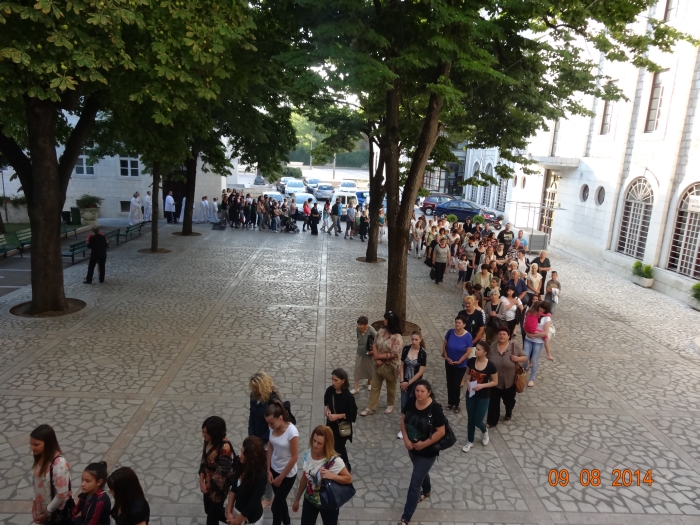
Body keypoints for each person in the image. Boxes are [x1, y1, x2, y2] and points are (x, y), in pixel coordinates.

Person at [399, 379, 446, 525]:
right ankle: (426, 490)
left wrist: (423, 444)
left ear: (429, 392)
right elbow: (403, 420)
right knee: (420, 471)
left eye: (422, 391)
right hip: (412, 448)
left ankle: (405, 518)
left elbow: (441, 431)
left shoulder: (435, 409)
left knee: (414, 483)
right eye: (417, 391)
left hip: (428, 451)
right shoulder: (411, 401)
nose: (419, 394)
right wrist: (406, 439)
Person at [291, 426, 353, 525]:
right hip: (310, 500)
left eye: (319, 443)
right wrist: (297, 499)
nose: (315, 445)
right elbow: (304, 477)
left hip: (328, 502)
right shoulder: (308, 454)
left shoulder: (334, 460)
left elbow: (348, 479)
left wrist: (332, 476)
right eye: (314, 440)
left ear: (326, 444)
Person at [360, 311, 404, 416]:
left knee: (391, 387)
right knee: (375, 386)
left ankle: (390, 404)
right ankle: (371, 407)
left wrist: (379, 357)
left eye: (386, 319)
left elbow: (395, 353)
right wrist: (376, 358)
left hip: (391, 366)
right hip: (378, 364)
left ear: (391, 322)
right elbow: (375, 344)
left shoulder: (397, 337)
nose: (384, 320)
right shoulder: (381, 331)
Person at [248, 372, 280, 506]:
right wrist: (251, 435)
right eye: (253, 387)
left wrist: (262, 440)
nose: (255, 390)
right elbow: (252, 416)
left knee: (267, 467)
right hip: (256, 437)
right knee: (257, 466)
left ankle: (268, 496)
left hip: (268, 439)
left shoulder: (272, 400)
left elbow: (274, 425)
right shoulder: (253, 396)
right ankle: (259, 490)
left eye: (257, 387)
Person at [30, 424, 72, 525]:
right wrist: (34, 504)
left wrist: (47, 514)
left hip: (55, 514)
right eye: (31, 444)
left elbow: (61, 494)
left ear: (48, 443)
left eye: (36, 445)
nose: (32, 448)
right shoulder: (39, 458)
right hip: (43, 511)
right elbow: (35, 483)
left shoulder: (59, 463)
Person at [265, 400, 299, 525]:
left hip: (287, 474)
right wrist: (268, 469)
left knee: (276, 507)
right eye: (268, 423)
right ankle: (287, 522)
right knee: (281, 501)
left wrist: (281, 477)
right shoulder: (272, 428)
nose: (269, 426)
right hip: (274, 470)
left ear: (280, 418)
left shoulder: (292, 432)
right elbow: (270, 447)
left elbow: (294, 458)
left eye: (271, 423)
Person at [462, 340, 498, 452]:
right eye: (476, 348)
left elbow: (495, 382)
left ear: (485, 352)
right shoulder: (471, 361)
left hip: (483, 396)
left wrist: (482, 386)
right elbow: (467, 375)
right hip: (471, 394)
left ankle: (484, 431)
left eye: (478, 349)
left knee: (478, 420)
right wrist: (468, 383)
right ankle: (470, 441)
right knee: (470, 419)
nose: (475, 351)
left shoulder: (491, 366)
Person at [487, 327, 527, 427]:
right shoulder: (492, 347)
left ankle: (508, 411)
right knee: (493, 402)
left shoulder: (514, 346)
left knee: (509, 401)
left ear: (508, 336)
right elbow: (486, 359)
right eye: (500, 334)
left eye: (504, 334)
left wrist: (517, 359)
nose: (502, 336)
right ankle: (492, 421)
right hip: (495, 381)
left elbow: (524, 357)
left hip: (510, 381)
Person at [200, 416, 235, 525]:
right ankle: (235, 521)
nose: (203, 434)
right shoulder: (208, 440)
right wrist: (201, 481)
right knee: (208, 510)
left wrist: (207, 486)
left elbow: (221, 473)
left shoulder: (225, 447)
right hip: (207, 484)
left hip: (218, 488)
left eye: (206, 432)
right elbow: (203, 460)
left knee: (212, 519)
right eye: (203, 431)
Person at [225, 437, 267, 525]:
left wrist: (237, 521)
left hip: (251, 519)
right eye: (241, 452)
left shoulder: (261, 476)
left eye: (244, 454)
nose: (240, 455)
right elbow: (234, 488)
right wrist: (229, 512)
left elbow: (252, 503)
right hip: (237, 512)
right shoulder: (241, 464)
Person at [324, 368, 358, 472]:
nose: (333, 382)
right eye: (332, 379)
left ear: (343, 381)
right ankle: (346, 465)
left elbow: (352, 415)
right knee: (339, 448)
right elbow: (328, 403)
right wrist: (328, 410)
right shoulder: (330, 390)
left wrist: (337, 416)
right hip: (331, 426)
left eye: (336, 380)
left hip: (342, 428)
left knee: (336, 449)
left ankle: (337, 468)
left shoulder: (348, 397)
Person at [442, 315, 473, 413]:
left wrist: (460, 361)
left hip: (460, 365)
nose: (457, 324)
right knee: (450, 383)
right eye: (456, 322)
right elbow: (444, 345)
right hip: (449, 362)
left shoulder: (468, 336)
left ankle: (456, 403)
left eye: (459, 323)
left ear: (464, 324)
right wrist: (446, 356)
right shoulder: (450, 332)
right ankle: (450, 402)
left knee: (456, 384)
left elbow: (468, 351)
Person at [523, 301, 553, 387]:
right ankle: (525, 368)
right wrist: (527, 333)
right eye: (541, 307)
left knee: (534, 360)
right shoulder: (532, 313)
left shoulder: (547, 318)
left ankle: (532, 379)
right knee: (525, 357)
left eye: (544, 309)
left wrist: (534, 335)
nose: (541, 309)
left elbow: (545, 332)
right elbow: (525, 325)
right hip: (528, 339)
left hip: (538, 341)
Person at [352, 316, 376, 394]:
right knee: (357, 369)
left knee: (370, 369)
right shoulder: (357, 330)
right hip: (360, 352)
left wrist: (373, 350)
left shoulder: (371, 330)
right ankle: (356, 387)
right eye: (358, 324)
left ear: (366, 325)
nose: (359, 326)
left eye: (361, 325)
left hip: (369, 353)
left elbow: (377, 339)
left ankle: (370, 383)